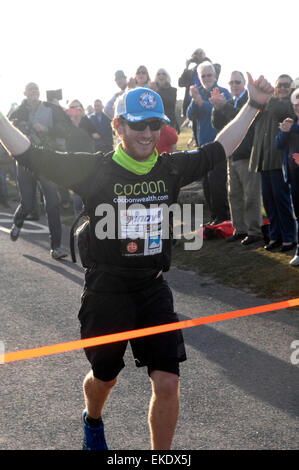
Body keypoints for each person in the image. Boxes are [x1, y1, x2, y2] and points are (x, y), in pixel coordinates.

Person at [0, 74, 273, 450]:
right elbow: (30, 154)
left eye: (154, 125)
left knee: (167, 381)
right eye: (137, 125)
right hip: (106, 290)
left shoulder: (170, 168)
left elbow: (219, 148)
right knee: (104, 378)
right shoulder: (93, 169)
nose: (146, 133)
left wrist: (254, 104)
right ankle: (92, 420)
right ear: (118, 126)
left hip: (151, 288)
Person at [9, 82, 68, 259]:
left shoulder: (50, 109)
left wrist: (47, 129)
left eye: (36, 89)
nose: (34, 92)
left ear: (39, 92)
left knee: (52, 203)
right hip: (26, 162)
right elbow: (9, 129)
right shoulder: (19, 111)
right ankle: (17, 222)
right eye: (30, 89)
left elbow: (63, 129)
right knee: (27, 204)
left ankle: (56, 247)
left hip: (45, 161)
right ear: (25, 93)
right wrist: (21, 125)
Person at [211, 71, 262, 245]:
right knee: (234, 195)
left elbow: (240, 118)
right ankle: (240, 229)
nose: (233, 85)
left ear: (243, 84)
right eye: (231, 82)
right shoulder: (230, 101)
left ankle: (255, 231)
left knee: (251, 195)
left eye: (237, 82)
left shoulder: (248, 100)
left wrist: (223, 106)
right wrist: (217, 108)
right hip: (232, 154)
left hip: (247, 155)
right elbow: (217, 125)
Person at [249, 74, 296, 252]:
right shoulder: (267, 105)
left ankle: (289, 238)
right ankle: (275, 235)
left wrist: (267, 97)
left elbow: (282, 111)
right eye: (279, 85)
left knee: (281, 200)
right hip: (263, 160)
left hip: (279, 161)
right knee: (269, 202)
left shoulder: (290, 105)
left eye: (286, 85)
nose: (283, 88)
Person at [187, 62, 231, 225]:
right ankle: (214, 215)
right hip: (202, 146)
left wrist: (201, 102)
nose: (206, 78)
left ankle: (223, 215)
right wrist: (194, 99)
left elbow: (219, 111)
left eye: (209, 75)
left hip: (219, 144)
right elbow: (189, 114)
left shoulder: (223, 92)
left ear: (215, 75)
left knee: (217, 181)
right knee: (206, 182)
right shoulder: (199, 93)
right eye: (203, 76)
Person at [275, 88, 299, 265]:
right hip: (293, 177)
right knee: (298, 215)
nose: (298, 108)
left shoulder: (294, 125)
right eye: (296, 105)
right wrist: (284, 131)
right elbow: (278, 144)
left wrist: (293, 128)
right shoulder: (290, 122)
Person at [153, 68, 179, 132]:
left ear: (167, 76)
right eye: (158, 74)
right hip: (155, 123)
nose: (161, 76)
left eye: (163, 74)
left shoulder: (173, 90)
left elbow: (170, 103)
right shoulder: (152, 90)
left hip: (170, 122)